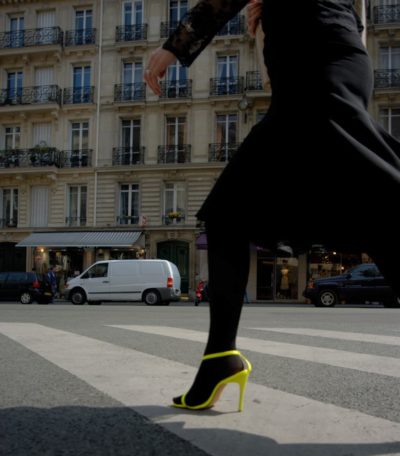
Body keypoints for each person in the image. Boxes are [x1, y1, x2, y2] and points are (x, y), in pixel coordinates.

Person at [144, 0, 400, 411]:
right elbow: (353, 13)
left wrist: (174, 47)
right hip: (326, 54)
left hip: (312, 58)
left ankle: (220, 358)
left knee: (230, 213)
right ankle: (219, 357)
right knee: (369, 205)